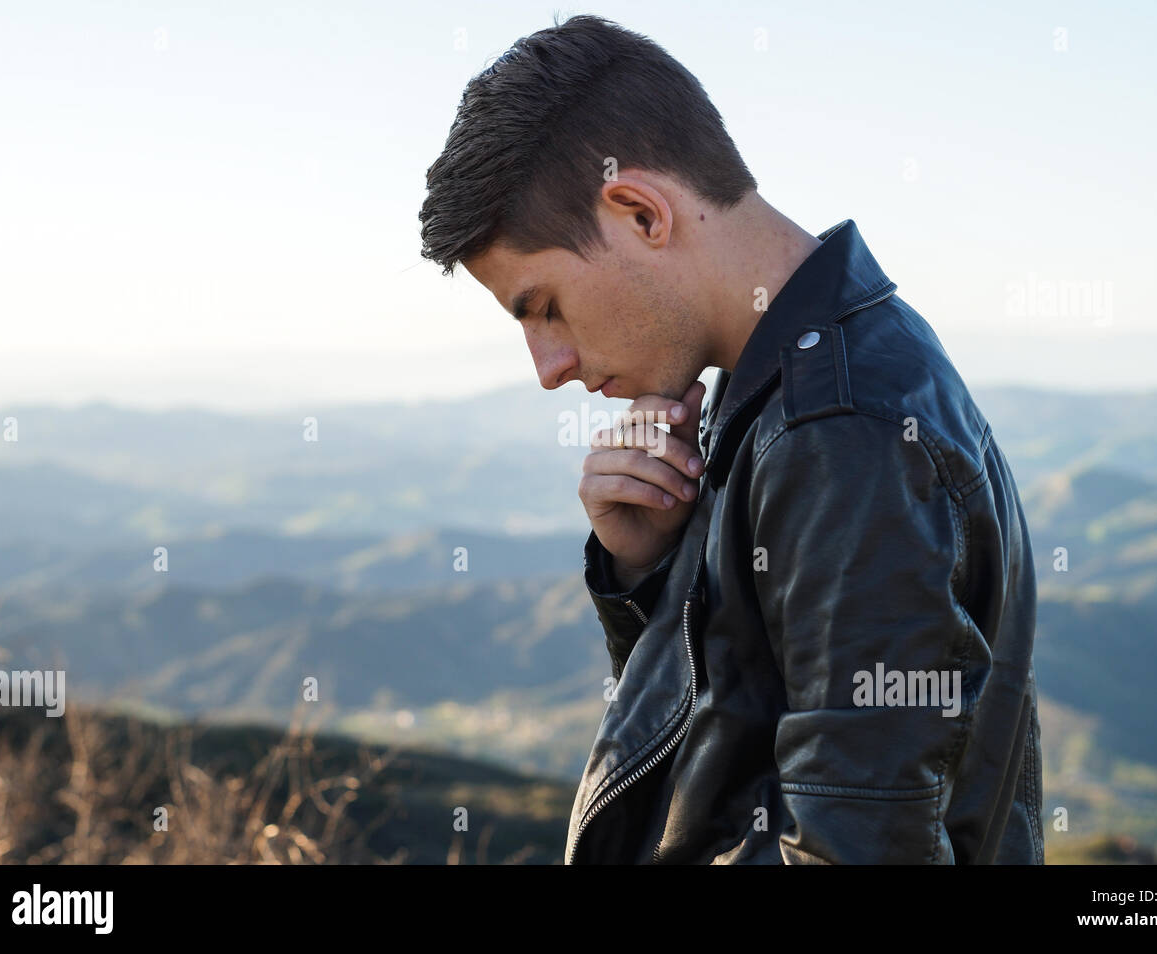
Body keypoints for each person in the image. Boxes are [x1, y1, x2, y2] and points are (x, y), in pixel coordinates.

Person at [419, 14, 1043, 864]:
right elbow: (728, 754)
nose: (549, 366)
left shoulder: (840, 434)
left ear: (640, 212)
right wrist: (648, 572)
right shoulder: (800, 378)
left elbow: (854, 847)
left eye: (543, 306)